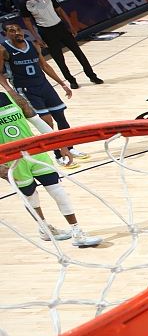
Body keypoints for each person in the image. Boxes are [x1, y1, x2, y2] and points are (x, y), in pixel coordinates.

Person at [0, 85, 102, 247]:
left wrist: (61, 146)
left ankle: (77, 231)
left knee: (58, 192)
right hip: (11, 161)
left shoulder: (12, 97)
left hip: (35, 154)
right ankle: (44, 229)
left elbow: (38, 122)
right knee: (31, 197)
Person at [1, 23, 87, 166]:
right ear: (6, 34)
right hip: (26, 89)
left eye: (18, 29)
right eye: (12, 31)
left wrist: (62, 84)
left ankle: (69, 148)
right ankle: (58, 154)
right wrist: (10, 91)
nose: (17, 32)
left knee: (61, 117)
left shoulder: (33, 45)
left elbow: (45, 66)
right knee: (47, 121)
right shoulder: (3, 49)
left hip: (44, 85)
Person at [17, 0, 102, 90]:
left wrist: (70, 25)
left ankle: (92, 76)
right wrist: (37, 37)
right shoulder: (23, 2)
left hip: (60, 27)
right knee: (59, 59)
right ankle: (71, 80)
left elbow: (60, 10)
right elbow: (27, 22)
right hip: (46, 31)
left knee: (78, 52)